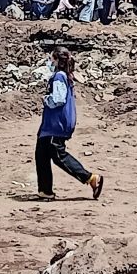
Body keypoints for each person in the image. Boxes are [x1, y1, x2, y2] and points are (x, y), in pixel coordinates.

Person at [36, 47, 104, 201]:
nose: (49, 62)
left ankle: (91, 178)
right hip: (50, 126)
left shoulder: (59, 77)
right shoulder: (66, 76)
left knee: (59, 156)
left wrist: (46, 100)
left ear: (57, 60)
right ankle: (45, 190)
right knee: (41, 155)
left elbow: (58, 99)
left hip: (55, 125)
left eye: (51, 59)